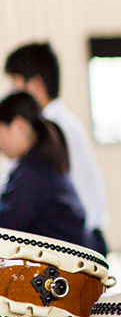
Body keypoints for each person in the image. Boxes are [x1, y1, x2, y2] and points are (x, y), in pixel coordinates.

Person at [4, 42, 110, 255]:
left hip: (80, 247)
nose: (11, 93)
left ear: (36, 85)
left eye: (15, 84)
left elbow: (24, 188)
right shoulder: (60, 124)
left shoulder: (50, 128)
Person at [0, 91, 89, 248]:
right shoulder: (41, 164)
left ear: (19, 126)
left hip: (68, 262)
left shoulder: (34, 172)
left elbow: (6, 224)